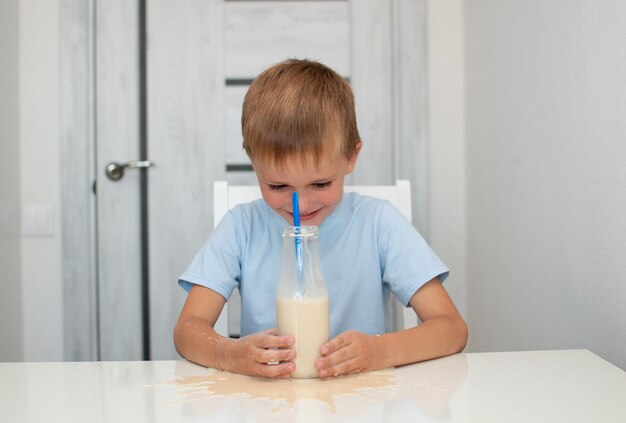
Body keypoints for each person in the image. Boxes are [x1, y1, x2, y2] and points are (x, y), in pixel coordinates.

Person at [174, 59, 467, 379]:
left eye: (321, 183)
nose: (301, 202)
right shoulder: (242, 227)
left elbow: (451, 328)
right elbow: (188, 330)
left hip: (361, 402)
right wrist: (231, 354)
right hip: (267, 404)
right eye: (277, 185)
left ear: (351, 157)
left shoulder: (377, 223)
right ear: (254, 164)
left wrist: (380, 351)